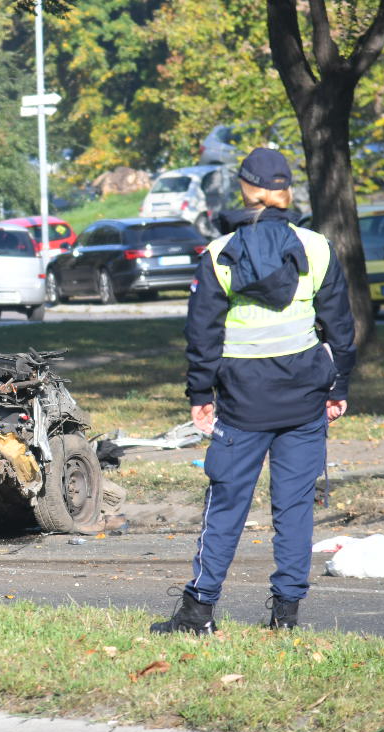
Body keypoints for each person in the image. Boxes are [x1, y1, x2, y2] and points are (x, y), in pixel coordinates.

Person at [152, 147, 356, 633]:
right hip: (305, 400)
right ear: (287, 191)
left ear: (244, 189)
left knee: (225, 506)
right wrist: (338, 385)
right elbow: (340, 328)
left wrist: (201, 397)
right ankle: (286, 616)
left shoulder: (219, 255)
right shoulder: (317, 249)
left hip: (241, 405)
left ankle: (198, 612)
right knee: (294, 509)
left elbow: (202, 336)